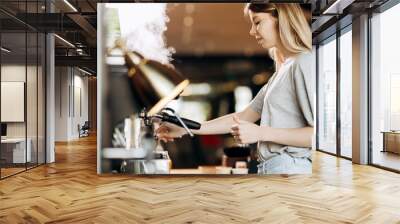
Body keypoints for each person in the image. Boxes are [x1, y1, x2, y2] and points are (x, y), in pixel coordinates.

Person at [156, 3, 314, 174]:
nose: (252, 31)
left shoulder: (303, 62)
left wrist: (261, 133)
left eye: (258, 22)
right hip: (276, 169)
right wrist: (187, 128)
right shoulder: (281, 72)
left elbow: (317, 136)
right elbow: (241, 117)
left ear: (280, 19)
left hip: (291, 170)